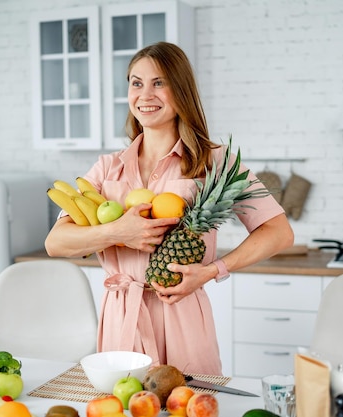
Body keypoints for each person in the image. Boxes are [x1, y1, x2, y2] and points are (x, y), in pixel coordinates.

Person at [45, 42, 294, 375]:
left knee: (190, 406)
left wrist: (212, 270)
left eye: (158, 82)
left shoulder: (215, 162)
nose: (145, 94)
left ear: (181, 90)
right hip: (123, 320)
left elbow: (279, 233)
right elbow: (56, 243)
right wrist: (118, 232)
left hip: (182, 314)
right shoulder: (107, 168)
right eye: (137, 83)